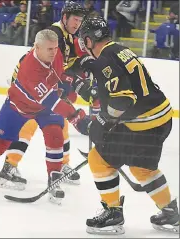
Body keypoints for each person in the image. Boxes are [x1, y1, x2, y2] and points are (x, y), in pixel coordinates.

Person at [0, 29, 91, 205]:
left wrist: (74, 83)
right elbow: (53, 101)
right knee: (1, 140)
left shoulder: (56, 52)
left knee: (55, 135)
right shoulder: (30, 68)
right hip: (20, 106)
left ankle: (54, 179)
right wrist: (77, 118)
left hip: (45, 106)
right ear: (36, 48)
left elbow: (61, 75)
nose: (54, 53)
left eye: (55, 48)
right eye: (49, 49)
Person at [78, 17, 179, 234]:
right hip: (161, 118)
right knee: (142, 167)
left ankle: (112, 214)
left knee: (98, 160)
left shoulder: (105, 58)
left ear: (88, 40)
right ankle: (171, 213)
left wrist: (104, 122)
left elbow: (123, 99)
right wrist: (96, 76)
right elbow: (125, 83)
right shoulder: (119, 50)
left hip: (143, 124)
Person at [0, 1, 98, 190]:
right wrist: (78, 84)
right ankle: (9, 167)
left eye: (80, 20)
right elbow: (57, 70)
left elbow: (70, 64)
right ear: (65, 17)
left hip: (46, 84)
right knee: (29, 124)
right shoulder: (56, 36)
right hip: (31, 85)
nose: (78, 23)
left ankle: (60, 165)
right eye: (75, 19)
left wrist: (86, 70)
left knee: (60, 124)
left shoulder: (69, 36)